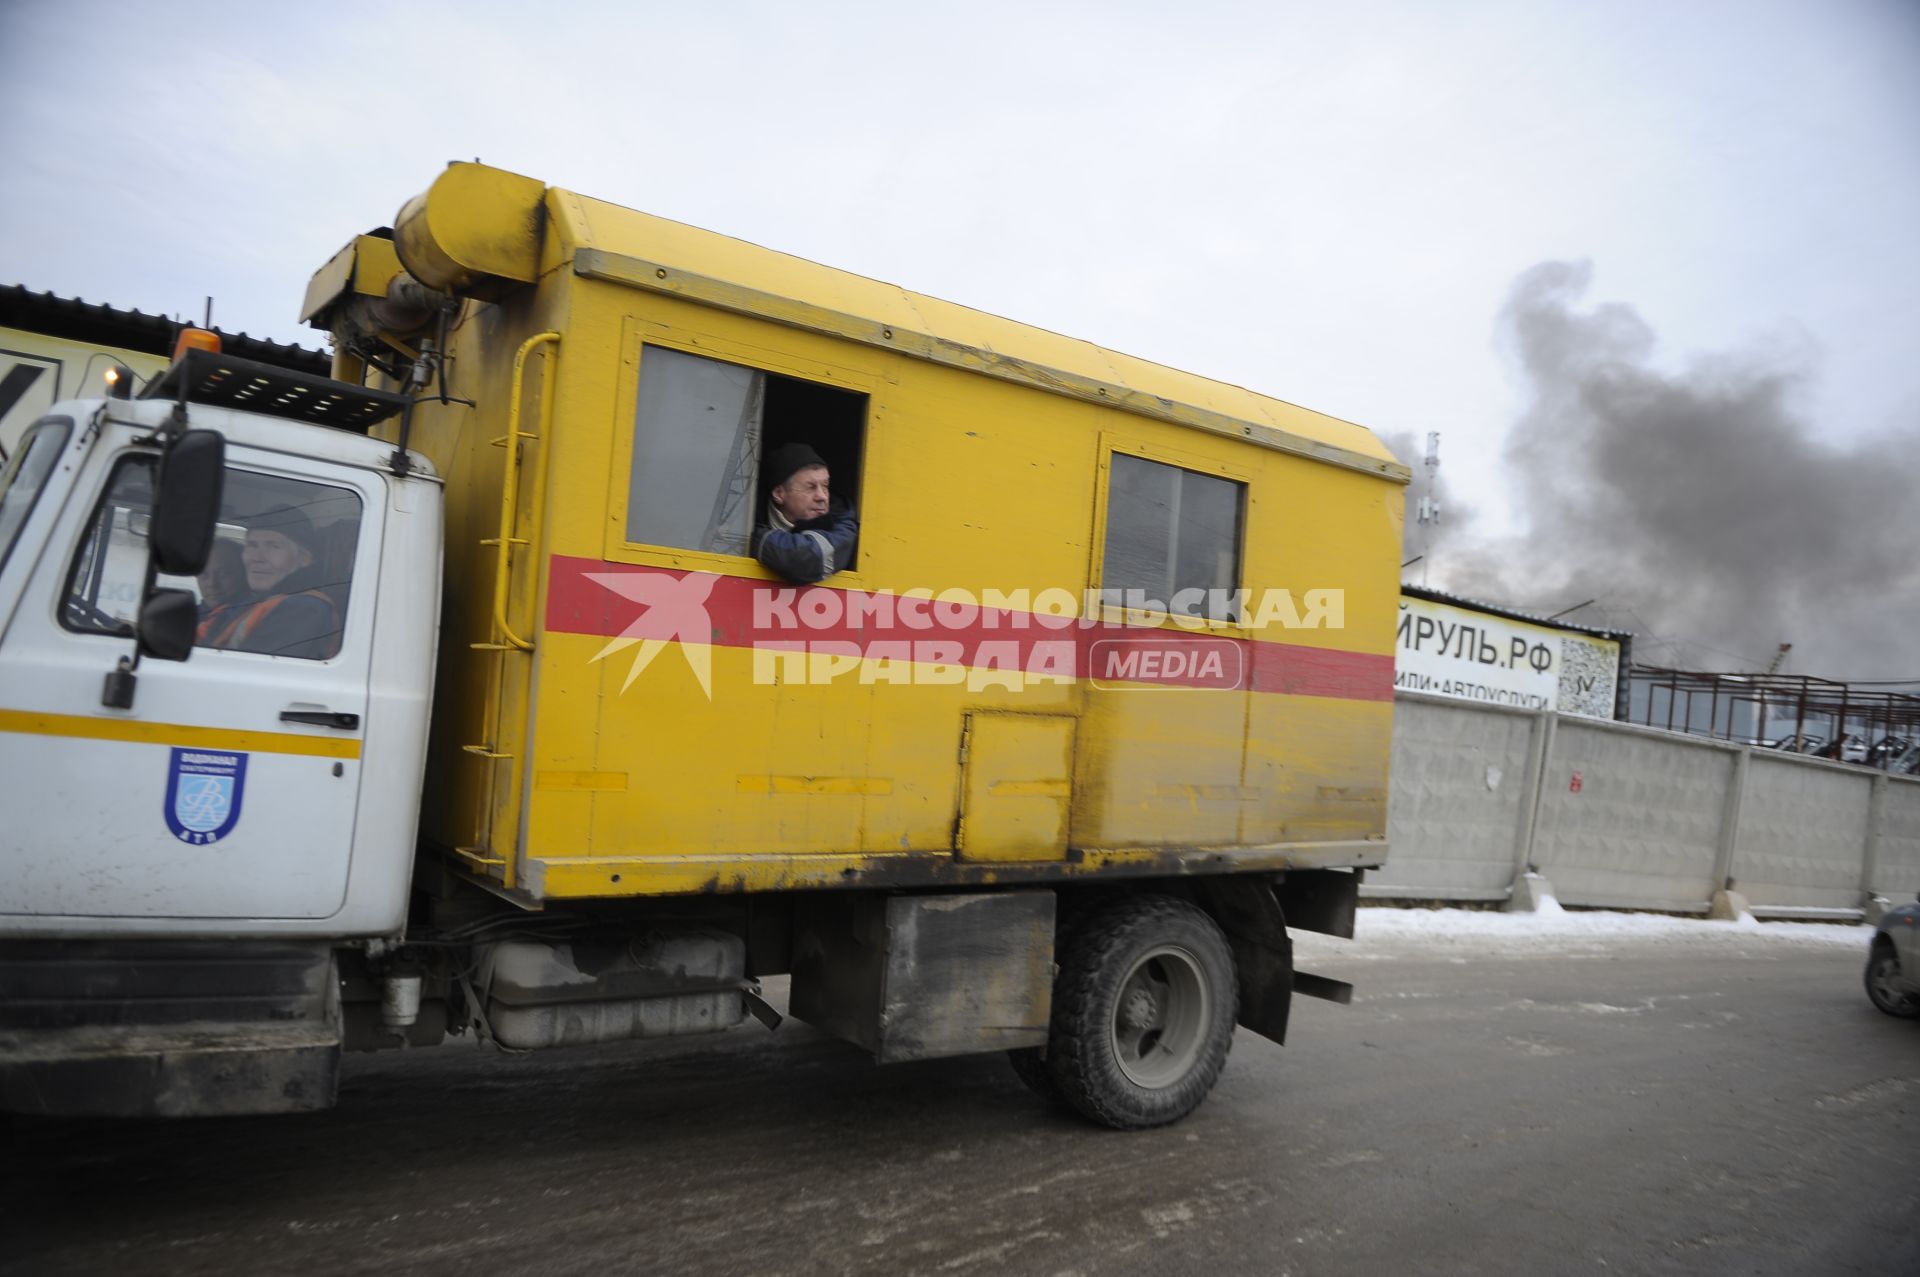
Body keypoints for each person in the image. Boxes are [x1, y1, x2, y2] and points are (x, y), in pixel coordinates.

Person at [203, 506, 341, 658]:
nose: (257, 558)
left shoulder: (304, 608)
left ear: (304, 559)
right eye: (252, 545)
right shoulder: (250, 600)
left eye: (274, 546)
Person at [752, 442, 858, 584]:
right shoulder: (746, 514)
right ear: (779, 494)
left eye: (825, 486)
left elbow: (807, 559)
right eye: (810, 487)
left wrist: (754, 538)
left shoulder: (841, 517)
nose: (822, 496)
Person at [193, 539, 247, 644]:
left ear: (243, 574)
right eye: (204, 574)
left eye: (223, 574)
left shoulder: (246, 618)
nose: (212, 584)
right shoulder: (190, 615)